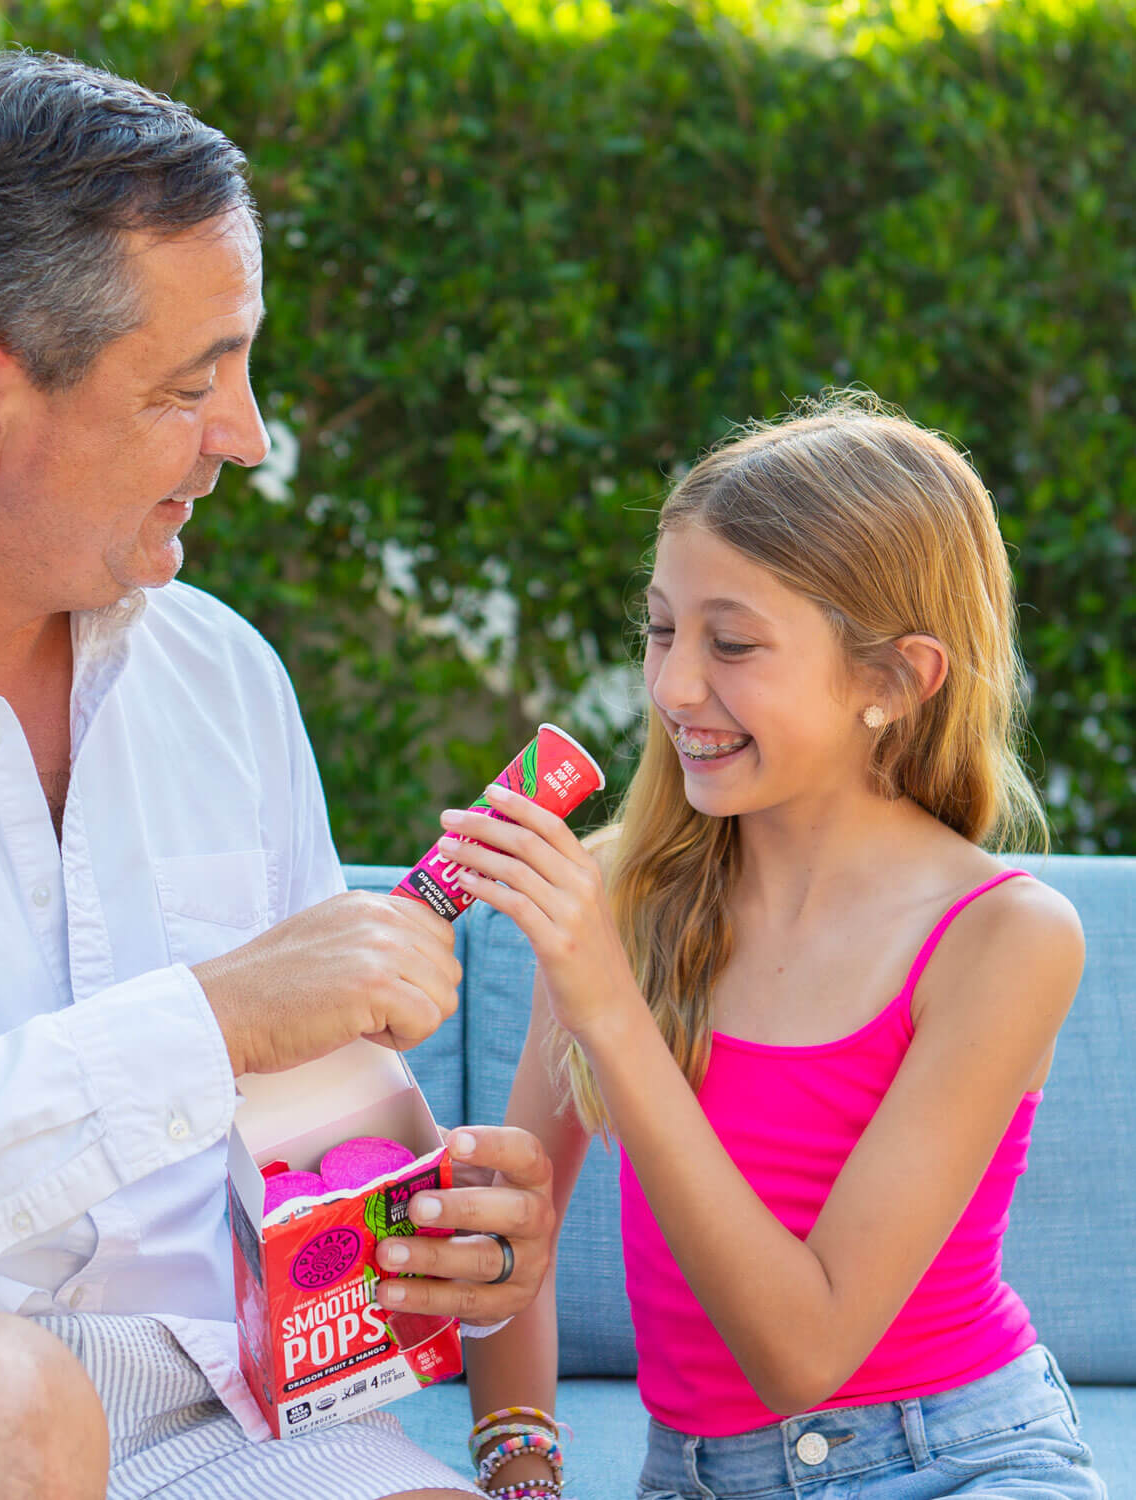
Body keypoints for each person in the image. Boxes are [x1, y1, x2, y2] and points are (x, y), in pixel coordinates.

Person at [0, 52, 556, 1500]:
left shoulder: (224, 679)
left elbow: (308, 1157)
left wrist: (443, 1245)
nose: (246, 437)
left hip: (212, 1414)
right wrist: (208, 1023)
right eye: (192, 386)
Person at [441, 394, 1107, 1498]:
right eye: (661, 629)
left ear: (894, 681)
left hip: (958, 1462)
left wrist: (610, 1007)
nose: (673, 687)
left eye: (733, 643)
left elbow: (803, 1354)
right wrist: (519, 1460)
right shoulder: (624, 888)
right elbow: (521, 1228)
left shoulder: (1002, 938)